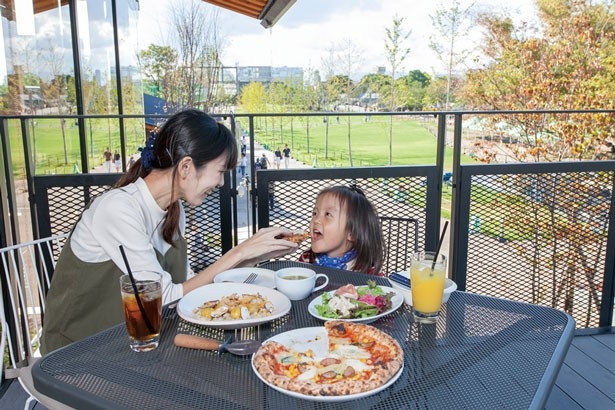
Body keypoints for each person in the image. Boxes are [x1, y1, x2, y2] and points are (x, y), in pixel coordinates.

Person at [39, 109, 300, 354]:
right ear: (186, 167)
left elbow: (186, 289)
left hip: (139, 346)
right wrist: (240, 250)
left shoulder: (175, 212)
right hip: (77, 355)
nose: (221, 183)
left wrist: (250, 258)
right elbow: (162, 298)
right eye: (220, 172)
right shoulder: (117, 209)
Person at [298, 185, 384, 275]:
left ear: (352, 233)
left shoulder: (368, 270)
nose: (316, 220)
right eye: (315, 213)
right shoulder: (306, 259)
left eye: (328, 214)